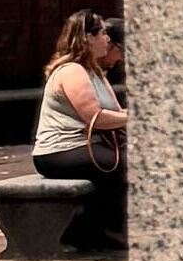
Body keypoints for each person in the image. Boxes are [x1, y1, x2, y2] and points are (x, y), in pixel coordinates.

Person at [35, 13, 128, 178]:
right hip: (62, 150)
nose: (107, 39)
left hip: (89, 146)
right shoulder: (72, 71)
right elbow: (95, 118)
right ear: (88, 38)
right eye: (103, 34)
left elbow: (116, 112)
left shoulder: (94, 72)